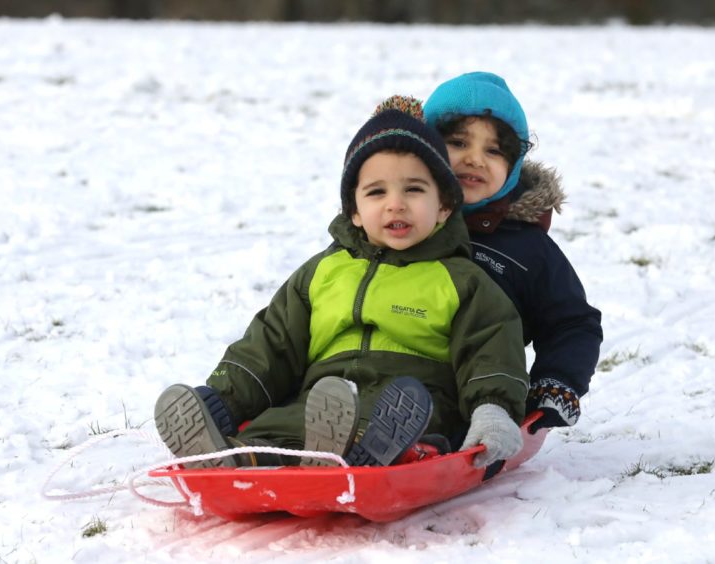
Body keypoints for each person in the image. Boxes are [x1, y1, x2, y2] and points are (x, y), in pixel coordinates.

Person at [155, 96, 529, 470]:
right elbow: (271, 345)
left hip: (410, 402)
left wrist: (493, 410)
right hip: (324, 400)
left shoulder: (463, 280)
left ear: (445, 206)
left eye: (414, 190)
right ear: (353, 210)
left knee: (409, 415)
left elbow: (491, 350)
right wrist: (222, 399)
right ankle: (241, 456)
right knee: (281, 424)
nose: (395, 204)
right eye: (376, 192)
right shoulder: (322, 272)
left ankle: (363, 455)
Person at [423, 72, 603, 433]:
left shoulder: (526, 249)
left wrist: (557, 381)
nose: (475, 159)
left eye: (493, 150)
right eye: (458, 142)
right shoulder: (397, 224)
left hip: (476, 388)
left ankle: (427, 435)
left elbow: (571, 322)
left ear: (514, 165)